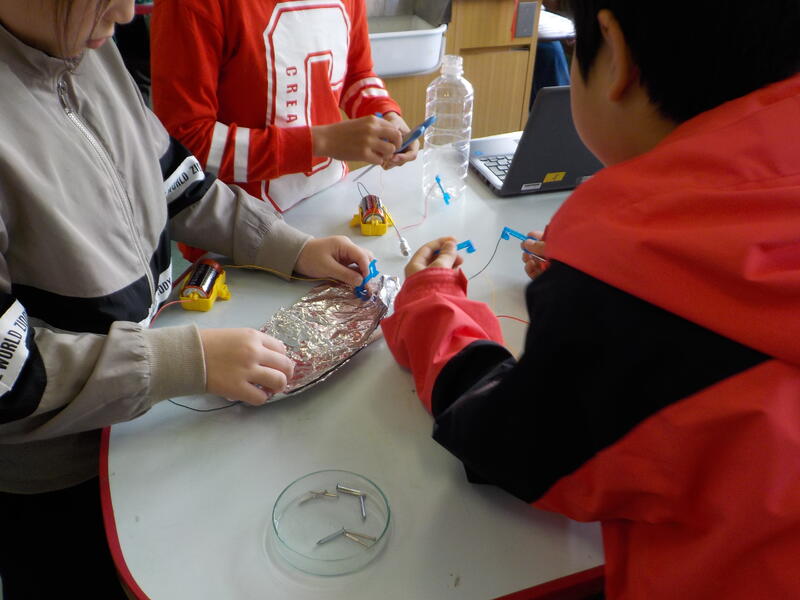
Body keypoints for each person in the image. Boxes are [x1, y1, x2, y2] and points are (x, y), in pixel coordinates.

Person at [381, 1, 800, 598]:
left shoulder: (621, 298)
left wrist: (431, 305)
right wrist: (615, 269)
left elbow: (506, 442)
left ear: (615, 54)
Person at [0, 1, 372, 597]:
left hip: (145, 417)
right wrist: (185, 361)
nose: (128, 12)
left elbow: (179, 181)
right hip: (57, 475)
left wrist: (289, 246)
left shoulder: (90, 49)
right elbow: (9, 373)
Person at [150, 0, 418, 262]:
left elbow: (357, 74)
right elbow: (186, 148)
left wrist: (385, 113)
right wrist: (318, 143)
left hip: (330, 206)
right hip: (238, 239)